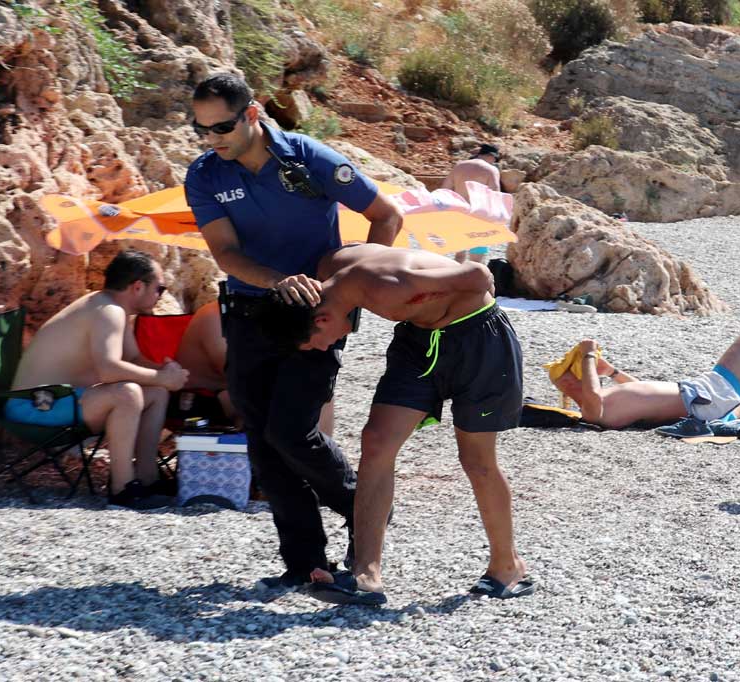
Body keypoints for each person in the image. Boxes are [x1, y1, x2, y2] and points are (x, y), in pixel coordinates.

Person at [183, 73, 402, 589]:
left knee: (291, 430)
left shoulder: (309, 158)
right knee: (262, 442)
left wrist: (350, 292)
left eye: (222, 127)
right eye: (202, 129)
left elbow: (386, 217)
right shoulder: (205, 175)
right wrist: (283, 281)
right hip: (248, 311)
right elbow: (225, 254)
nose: (212, 139)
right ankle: (304, 563)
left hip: (315, 317)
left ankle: (363, 506)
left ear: (252, 114)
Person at [252, 243, 528, 604]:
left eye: (315, 344)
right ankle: (366, 575)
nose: (324, 348)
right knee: (377, 442)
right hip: (417, 343)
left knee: (476, 460)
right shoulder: (333, 266)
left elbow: (480, 276)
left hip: (477, 340)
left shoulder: (389, 289)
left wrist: (431, 297)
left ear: (320, 319)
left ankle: (507, 567)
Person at [7, 250, 188, 509]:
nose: (160, 295)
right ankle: (123, 488)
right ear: (138, 286)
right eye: (159, 288)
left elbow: (134, 359)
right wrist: (163, 377)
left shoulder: (114, 309)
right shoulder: (108, 311)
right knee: (127, 393)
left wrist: (166, 374)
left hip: (59, 399)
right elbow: (109, 370)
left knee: (156, 393)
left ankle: (148, 479)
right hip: (34, 405)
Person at [546, 331, 740, 434]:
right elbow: (592, 393)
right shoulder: (593, 409)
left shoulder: (606, 401)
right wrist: (588, 354)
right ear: (571, 383)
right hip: (701, 397)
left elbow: (643, 388)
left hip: (700, 395)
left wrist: (612, 371)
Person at [168, 301, 334, 432]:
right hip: (197, 400)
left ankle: (316, 459)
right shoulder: (216, 317)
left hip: (228, 393)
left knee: (319, 390)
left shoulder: (251, 320)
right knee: (262, 401)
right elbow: (237, 373)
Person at [441, 143, 501, 265]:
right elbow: (495, 194)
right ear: (491, 156)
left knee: (459, 255)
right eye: (495, 158)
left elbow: (445, 189)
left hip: (458, 213)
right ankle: (472, 281)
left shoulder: (459, 166)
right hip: (478, 215)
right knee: (476, 258)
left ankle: (455, 280)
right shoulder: (491, 170)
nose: (495, 161)